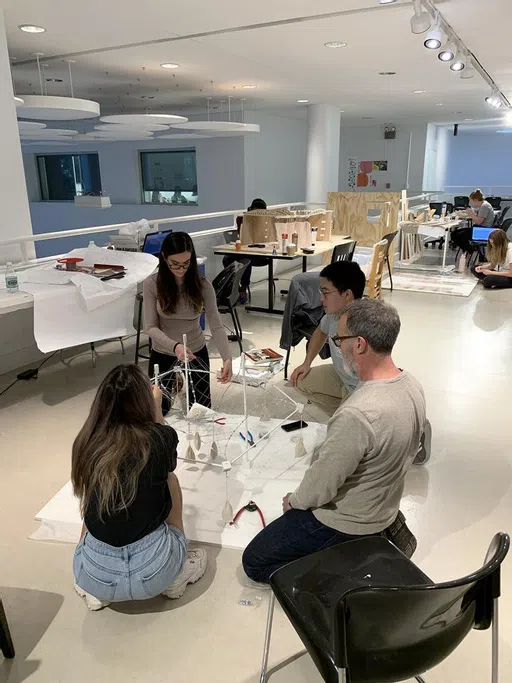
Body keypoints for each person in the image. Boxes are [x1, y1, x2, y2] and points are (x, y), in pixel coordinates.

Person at [242, 299, 426, 584]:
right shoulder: (411, 383)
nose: (337, 347)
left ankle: (342, 570)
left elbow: (322, 486)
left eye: (339, 340)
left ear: (360, 344)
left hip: (348, 522)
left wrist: (295, 501)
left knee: (254, 562)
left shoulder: (358, 412)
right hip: (383, 508)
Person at [72, 364, 207, 610]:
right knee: (170, 479)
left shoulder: (87, 441)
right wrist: (156, 408)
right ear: (142, 401)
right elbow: (167, 452)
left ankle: (95, 587)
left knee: (94, 490)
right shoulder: (157, 440)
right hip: (154, 569)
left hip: (93, 573)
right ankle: (178, 570)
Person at [143, 231, 232, 415]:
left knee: (200, 410)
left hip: (195, 352)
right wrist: (175, 347)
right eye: (175, 264)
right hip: (163, 353)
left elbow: (216, 325)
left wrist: (227, 357)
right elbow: (150, 327)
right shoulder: (152, 284)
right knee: (157, 410)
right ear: (164, 258)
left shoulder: (202, 286)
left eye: (186, 264)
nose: (181, 269)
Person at [290, 260, 366, 415]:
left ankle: (344, 417)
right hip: (342, 378)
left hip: (362, 390)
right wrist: (307, 362)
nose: (321, 299)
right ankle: (339, 415)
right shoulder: (333, 314)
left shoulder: (365, 324)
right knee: (300, 380)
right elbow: (320, 332)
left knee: (346, 422)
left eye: (325, 293)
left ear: (347, 294)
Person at [222, 197, 268, 304]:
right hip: (244, 249)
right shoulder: (242, 219)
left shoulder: (267, 221)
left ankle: (243, 288)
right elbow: (241, 235)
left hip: (261, 253)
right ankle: (234, 286)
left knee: (246, 260)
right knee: (226, 259)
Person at [452, 189, 496, 255]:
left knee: (459, 236)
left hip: (482, 231)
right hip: (480, 229)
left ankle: (469, 251)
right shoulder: (484, 205)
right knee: (454, 233)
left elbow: (479, 222)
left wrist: (471, 214)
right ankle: (468, 249)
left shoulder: (484, 206)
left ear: (475, 200)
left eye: (471, 201)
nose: (471, 203)